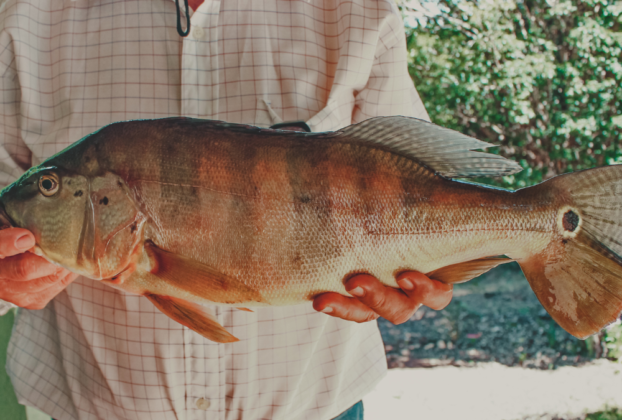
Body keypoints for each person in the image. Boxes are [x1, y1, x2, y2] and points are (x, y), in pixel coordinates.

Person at [0, 1, 452, 419]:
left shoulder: (357, 9)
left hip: (316, 406)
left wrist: (434, 269)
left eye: (51, 183)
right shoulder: (22, 14)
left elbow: (428, 184)